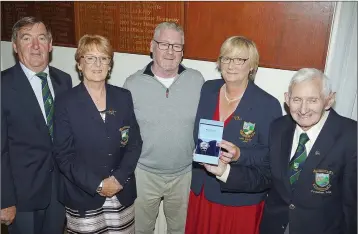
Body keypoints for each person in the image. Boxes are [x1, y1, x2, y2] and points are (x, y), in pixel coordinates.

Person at [206, 68, 357, 234]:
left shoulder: (350, 136)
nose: (303, 109)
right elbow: (265, 176)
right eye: (297, 99)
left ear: (329, 100)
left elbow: (352, 204)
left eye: (313, 100)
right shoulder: (279, 127)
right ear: (287, 99)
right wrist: (224, 171)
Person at [185, 36, 282, 234]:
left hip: (239, 200)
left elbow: (271, 157)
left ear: (252, 65)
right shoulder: (208, 89)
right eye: (226, 58)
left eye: (240, 60)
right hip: (203, 191)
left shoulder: (268, 104)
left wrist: (239, 154)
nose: (231, 65)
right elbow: (198, 134)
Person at [53, 34, 142, 233]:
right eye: (90, 58)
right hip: (83, 195)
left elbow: (134, 143)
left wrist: (118, 179)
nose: (97, 64)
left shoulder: (123, 97)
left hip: (121, 192)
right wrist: (98, 184)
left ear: (110, 65)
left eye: (103, 58)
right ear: (79, 64)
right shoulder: (65, 102)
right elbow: (63, 155)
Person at [123, 22, 205, 234]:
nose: (170, 51)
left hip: (184, 175)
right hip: (144, 174)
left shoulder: (197, 81)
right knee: (140, 230)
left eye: (177, 46)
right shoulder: (132, 84)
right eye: (164, 44)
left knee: (182, 230)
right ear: (152, 46)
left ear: (182, 51)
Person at [1, 16, 72, 234]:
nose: (35, 46)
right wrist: (4, 200)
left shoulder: (64, 81)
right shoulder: (3, 86)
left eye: (41, 38)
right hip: (21, 197)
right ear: (15, 46)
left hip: (58, 191)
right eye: (26, 38)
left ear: (50, 45)